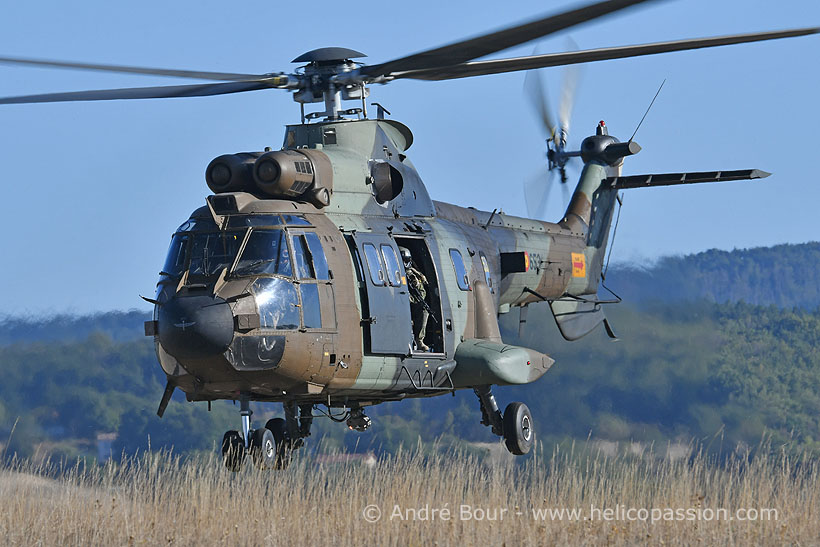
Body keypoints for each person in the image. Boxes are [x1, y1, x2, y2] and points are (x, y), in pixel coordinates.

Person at [400, 247, 430, 352]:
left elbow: (422, 294)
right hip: (397, 303)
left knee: (424, 310)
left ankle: (419, 340)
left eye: (407, 260)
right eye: (404, 260)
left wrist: (410, 298)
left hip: (410, 302)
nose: (405, 263)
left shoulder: (413, 274)